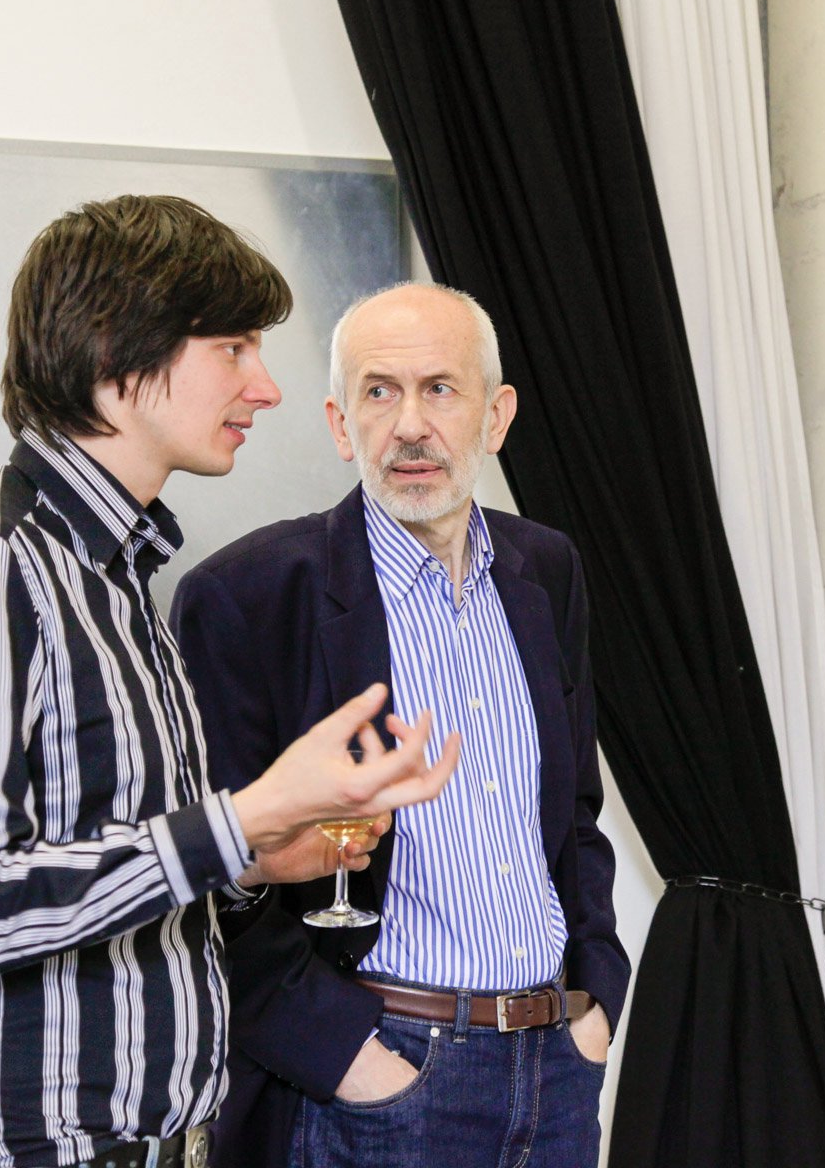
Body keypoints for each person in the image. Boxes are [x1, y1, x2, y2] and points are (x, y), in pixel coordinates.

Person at [0, 196, 462, 1168]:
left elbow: (108, 866)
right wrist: (249, 810)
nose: (264, 387)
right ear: (115, 354)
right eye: (233, 347)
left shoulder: (117, 578)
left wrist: (260, 855)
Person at [171, 282, 629, 1167]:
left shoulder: (549, 570)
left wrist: (595, 1003)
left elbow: (574, 813)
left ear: (495, 417)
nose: (410, 425)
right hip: (376, 1079)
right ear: (342, 426)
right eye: (379, 392)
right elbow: (212, 871)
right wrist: (351, 1063)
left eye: (440, 390)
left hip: (558, 1072)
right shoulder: (250, 594)